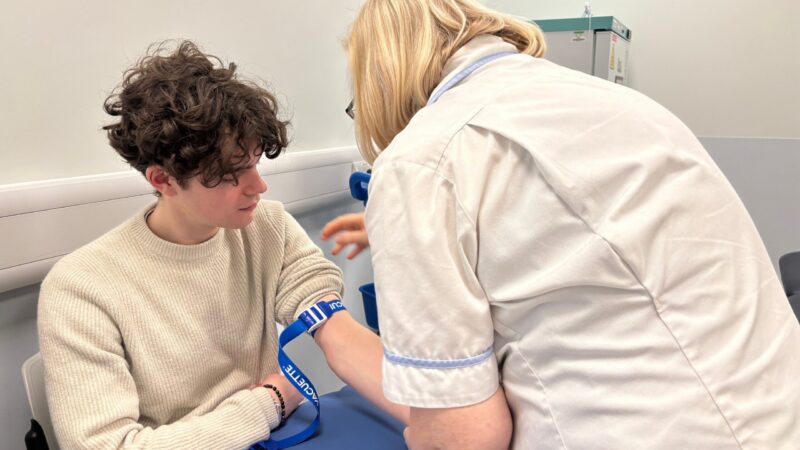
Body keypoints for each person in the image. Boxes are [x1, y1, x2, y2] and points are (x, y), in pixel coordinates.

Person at [321, 1, 800, 449]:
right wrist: (407, 232)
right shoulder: (612, 101)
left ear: (379, 78)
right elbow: (583, 229)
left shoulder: (422, 160)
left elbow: (465, 434)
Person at [38, 40, 407, 449]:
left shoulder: (268, 227)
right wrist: (269, 402)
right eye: (232, 172)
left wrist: (435, 417)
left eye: (253, 162)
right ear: (162, 180)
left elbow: (336, 331)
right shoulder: (80, 289)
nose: (258, 185)